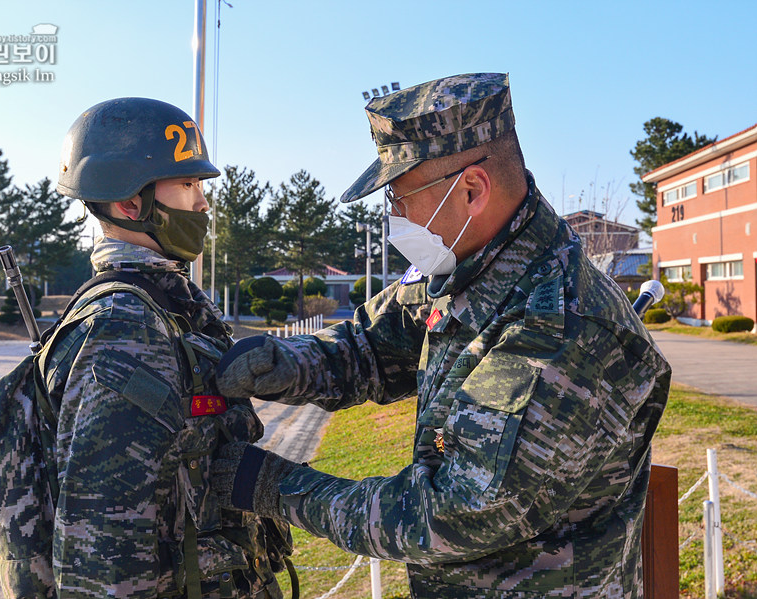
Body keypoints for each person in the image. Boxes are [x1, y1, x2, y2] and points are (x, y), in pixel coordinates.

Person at [212, 73, 672, 598]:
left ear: (472, 190)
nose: (394, 217)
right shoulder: (468, 264)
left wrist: (277, 487)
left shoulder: (563, 330)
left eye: (401, 198)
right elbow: (373, 343)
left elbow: (448, 513)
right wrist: (287, 364)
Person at [0, 97, 288, 598]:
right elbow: (103, 553)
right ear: (131, 204)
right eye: (188, 184)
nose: (203, 203)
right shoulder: (122, 329)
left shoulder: (166, 302)